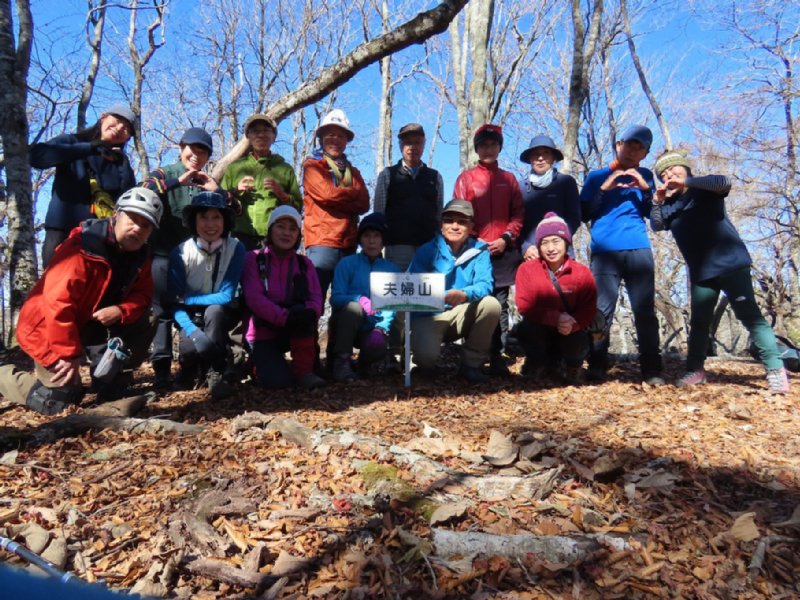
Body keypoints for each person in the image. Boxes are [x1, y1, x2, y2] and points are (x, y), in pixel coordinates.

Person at [0, 188, 162, 415]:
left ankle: (113, 380)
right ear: (116, 215)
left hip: (90, 324)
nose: (137, 228)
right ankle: (3, 375)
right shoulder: (81, 248)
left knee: (148, 317)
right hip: (48, 328)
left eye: (146, 226)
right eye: (132, 219)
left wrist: (121, 310)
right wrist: (68, 354)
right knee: (55, 402)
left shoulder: (141, 256)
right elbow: (57, 304)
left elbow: (143, 296)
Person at [651, 149, 791, 393]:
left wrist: (686, 181)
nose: (668, 175)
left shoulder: (705, 190)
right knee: (699, 322)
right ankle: (695, 370)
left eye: (673, 169)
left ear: (685, 169)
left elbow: (723, 182)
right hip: (701, 272)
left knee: (749, 316)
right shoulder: (670, 205)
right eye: (663, 174)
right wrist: (657, 201)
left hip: (731, 264)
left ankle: (775, 370)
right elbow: (657, 224)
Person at [580, 125, 664, 384]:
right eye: (629, 145)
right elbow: (584, 213)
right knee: (601, 311)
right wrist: (604, 189)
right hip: (604, 250)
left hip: (639, 248)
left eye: (639, 148)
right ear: (618, 145)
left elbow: (653, 216)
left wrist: (647, 190)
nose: (632, 151)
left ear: (645, 154)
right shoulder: (596, 177)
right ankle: (597, 365)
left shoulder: (646, 175)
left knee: (644, 311)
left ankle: (652, 369)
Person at [143, 127, 224, 387]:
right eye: (192, 149)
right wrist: (177, 182)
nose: (196, 156)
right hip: (162, 254)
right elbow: (144, 190)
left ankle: (192, 366)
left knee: (190, 310)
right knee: (161, 312)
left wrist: (218, 191)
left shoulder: (207, 181)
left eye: (203, 152)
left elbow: (234, 209)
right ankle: (161, 370)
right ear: (180, 148)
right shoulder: (164, 173)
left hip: (195, 261)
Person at [453, 124, 523, 377]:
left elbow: (518, 215)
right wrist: (475, 240)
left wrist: (506, 238)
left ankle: (498, 355)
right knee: (474, 301)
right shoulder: (466, 179)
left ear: (499, 148)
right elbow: (459, 215)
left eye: (493, 145)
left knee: (500, 306)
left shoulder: (509, 179)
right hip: (474, 251)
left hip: (503, 252)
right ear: (477, 148)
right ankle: (472, 357)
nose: (488, 149)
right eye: (483, 145)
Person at [30, 103, 137, 267]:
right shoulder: (72, 142)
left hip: (101, 237)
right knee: (56, 281)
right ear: (103, 117)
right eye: (117, 121)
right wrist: (90, 148)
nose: (119, 128)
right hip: (62, 231)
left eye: (126, 129)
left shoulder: (120, 163)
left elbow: (126, 200)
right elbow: (37, 157)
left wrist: (123, 165)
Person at [408, 199, 501, 384]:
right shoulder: (426, 250)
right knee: (426, 361)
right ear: (441, 225)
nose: (455, 226)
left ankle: (471, 364)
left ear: (471, 226)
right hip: (429, 315)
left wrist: (464, 294)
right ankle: (419, 359)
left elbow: (485, 284)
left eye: (462, 222)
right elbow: (411, 287)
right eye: (449, 221)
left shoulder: (480, 251)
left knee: (491, 305)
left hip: (461, 312)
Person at [167, 192, 245, 400]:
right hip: (188, 315)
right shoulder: (180, 252)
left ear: (225, 220)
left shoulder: (235, 248)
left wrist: (188, 299)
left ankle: (215, 370)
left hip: (222, 313)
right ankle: (190, 368)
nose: (210, 224)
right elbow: (174, 302)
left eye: (216, 217)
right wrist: (193, 332)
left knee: (215, 311)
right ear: (194, 221)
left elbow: (226, 295)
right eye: (203, 217)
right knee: (189, 349)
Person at [241, 206, 326, 390]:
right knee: (279, 383)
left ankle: (304, 372)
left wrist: (309, 312)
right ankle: (255, 364)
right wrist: (283, 317)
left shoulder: (305, 263)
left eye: (293, 229)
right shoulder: (253, 259)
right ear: (270, 230)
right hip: (261, 331)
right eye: (280, 226)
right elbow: (254, 298)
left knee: (305, 314)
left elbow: (316, 298)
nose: (286, 233)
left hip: (295, 327)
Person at [515, 212, 597, 383]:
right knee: (526, 327)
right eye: (544, 243)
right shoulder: (526, 269)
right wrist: (555, 318)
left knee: (579, 337)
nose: (551, 248)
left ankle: (573, 367)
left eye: (556, 241)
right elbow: (524, 305)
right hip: (540, 327)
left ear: (566, 242)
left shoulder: (582, 272)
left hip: (570, 329)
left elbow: (588, 308)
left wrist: (573, 323)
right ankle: (538, 365)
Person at [303, 109, 370, 302]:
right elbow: (326, 194)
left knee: (346, 301)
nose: (336, 140)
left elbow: (364, 203)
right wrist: (351, 194)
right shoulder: (313, 166)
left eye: (341, 136)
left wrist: (338, 198)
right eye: (331, 134)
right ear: (321, 138)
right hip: (321, 241)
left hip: (348, 244)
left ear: (347, 140)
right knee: (314, 299)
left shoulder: (353, 172)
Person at [328, 212, 400, 381]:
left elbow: (392, 305)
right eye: (367, 236)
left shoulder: (392, 270)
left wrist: (380, 328)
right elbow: (335, 298)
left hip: (372, 326)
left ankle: (364, 365)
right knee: (354, 308)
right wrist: (358, 299)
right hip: (345, 323)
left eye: (376, 236)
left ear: (383, 240)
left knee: (378, 347)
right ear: (360, 239)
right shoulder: (346, 264)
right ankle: (342, 361)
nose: (371, 241)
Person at [220, 113, 302, 251]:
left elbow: (298, 207)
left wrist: (283, 195)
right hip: (239, 237)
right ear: (248, 136)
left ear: (274, 137)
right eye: (255, 131)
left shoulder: (284, 169)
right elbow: (219, 201)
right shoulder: (235, 168)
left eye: (266, 130)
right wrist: (235, 191)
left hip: (272, 239)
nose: (261, 135)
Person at [373, 123, 444, 270]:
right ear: (401, 146)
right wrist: (378, 243)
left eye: (417, 142)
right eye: (408, 143)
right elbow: (379, 214)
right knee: (399, 283)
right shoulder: (387, 175)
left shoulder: (435, 177)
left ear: (423, 145)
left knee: (428, 285)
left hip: (429, 247)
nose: (412, 147)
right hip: (397, 246)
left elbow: (439, 214)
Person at [518, 135, 581, 260]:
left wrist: (557, 243)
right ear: (530, 159)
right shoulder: (520, 187)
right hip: (531, 256)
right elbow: (515, 223)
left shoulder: (566, 182)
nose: (540, 158)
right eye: (536, 154)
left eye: (546, 153)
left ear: (553, 158)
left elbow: (574, 218)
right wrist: (525, 247)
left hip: (561, 254)